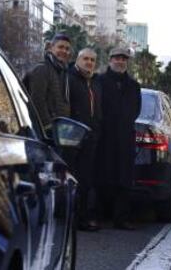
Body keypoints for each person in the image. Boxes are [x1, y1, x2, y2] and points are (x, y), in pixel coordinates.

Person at [98, 47, 141, 230]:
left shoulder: (133, 85)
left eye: (124, 59)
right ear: (110, 60)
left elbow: (136, 109)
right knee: (101, 178)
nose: (120, 61)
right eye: (117, 58)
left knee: (125, 180)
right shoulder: (99, 81)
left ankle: (121, 218)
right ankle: (99, 216)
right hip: (104, 137)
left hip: (125, 138)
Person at [68, 48, 102, 231]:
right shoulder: (69, 78)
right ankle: (72, 218)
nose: (89, 62)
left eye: (92, 60)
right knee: (73, 179)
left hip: (91, 138)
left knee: (86, 180)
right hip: (72, 137)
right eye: (86, 58)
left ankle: (83, 217)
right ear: (78, 59)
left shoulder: (95, 82)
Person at [23, 34, 72, 130]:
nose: (64, 51)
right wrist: (48, 127)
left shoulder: (63, 72)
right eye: (60, 47)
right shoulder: (41, 69)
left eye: (67, 49)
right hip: (45, 132)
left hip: (59, 130)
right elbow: (37, 101)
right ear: (50, 48)